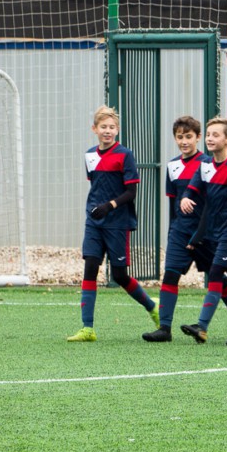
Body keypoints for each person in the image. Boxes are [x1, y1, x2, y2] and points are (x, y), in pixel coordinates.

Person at [145, 115, 227, 343]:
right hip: (180, 231)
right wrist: (172, 230)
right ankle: (164, 328)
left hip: (206, 232)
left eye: (189, 137)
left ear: (198, 138)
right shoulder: (172, 166)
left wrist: (200, 233)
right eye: (180, 137)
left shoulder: (208, 163)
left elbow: (214, 202)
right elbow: (173, 203)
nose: (184, 141)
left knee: (218, 277)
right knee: (170, 275)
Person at [70, 105, 160, 342]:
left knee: (119, 275)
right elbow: (96, 185)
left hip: (117, 223)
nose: (107, 131)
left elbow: (131, 192)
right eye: (103, 127)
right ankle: (87, 328)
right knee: (90, 268)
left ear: (117, 130)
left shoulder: (125, 155)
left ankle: (152, 306)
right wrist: (95, 210)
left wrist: (108, 206)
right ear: (95, 129)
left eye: (111, 127)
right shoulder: (89, 155)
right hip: (94, 222)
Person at [180, 117, 227, 344]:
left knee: (216, 273)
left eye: (215, 135)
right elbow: (193, 189)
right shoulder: (205, 164)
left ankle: (202, 326)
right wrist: (186, 199)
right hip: (211, 230)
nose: (210, 138)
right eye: (208, 134)